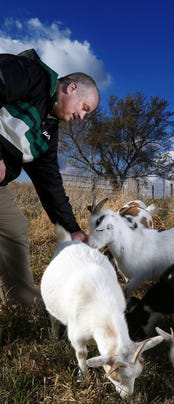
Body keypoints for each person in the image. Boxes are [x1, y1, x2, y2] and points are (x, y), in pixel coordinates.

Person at [0, 49, 100, 308]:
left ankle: (21, 301)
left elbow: (50, 184)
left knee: (14, 227)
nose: (82, 117)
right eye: (84, 108)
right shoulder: (30, 74)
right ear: (72, 88)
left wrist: (73, 230)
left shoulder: (48, 133)